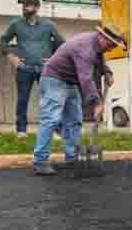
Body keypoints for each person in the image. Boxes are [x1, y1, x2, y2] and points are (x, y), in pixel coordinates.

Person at [32, 25, 123, 175]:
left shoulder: (96, 45)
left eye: (114, 45)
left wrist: (107, 72)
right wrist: (97, 103)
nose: (112, 48)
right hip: (54, 78)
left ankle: (72, 157)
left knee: (74, 120)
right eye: (111, 44)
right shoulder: (85, 48)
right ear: (102, 37)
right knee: (51, 119)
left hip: (70, 82)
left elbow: (99, 61)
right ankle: (40, 161)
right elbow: (86, 79)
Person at [1, 0, 65, 137]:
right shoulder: (16, 24)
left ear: (37, 8)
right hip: (24, 69)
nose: (24, 8)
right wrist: (11, 56)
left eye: (27, 5)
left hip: (45, 70)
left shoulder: (48, 25)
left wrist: (53, 59)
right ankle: (21, 130)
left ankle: (56, 129)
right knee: (22, 99)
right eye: (23, 5)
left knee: (50, 99)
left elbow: (61, 43)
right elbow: (3, 40)